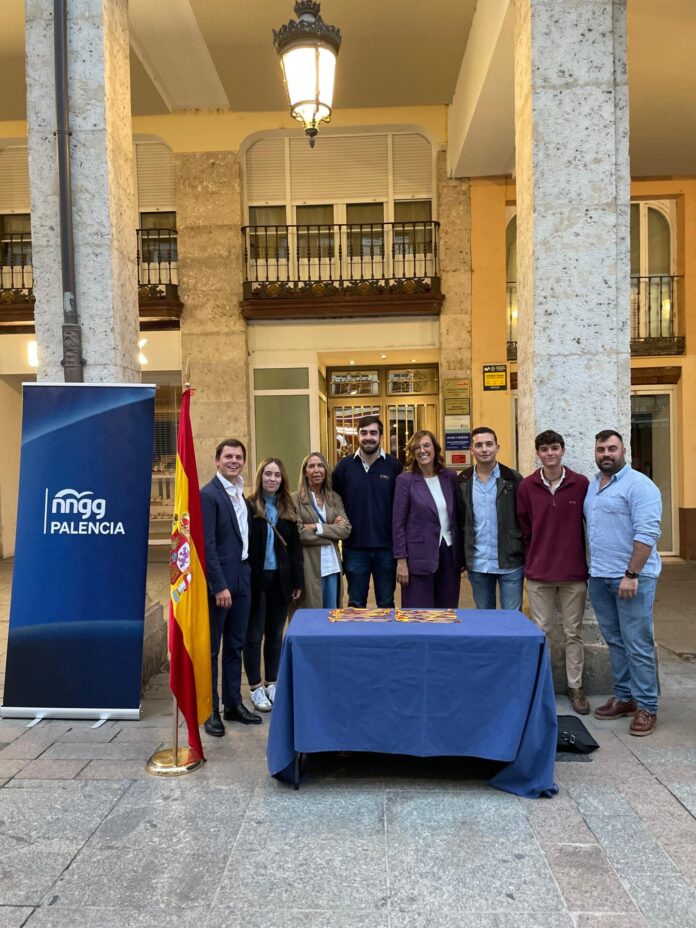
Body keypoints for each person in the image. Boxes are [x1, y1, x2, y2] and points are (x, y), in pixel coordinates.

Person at [584, 429, 662, 736]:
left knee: (638, 643)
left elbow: (647, 534)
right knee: (615, 641)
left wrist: (631, 575)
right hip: (600, 576)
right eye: (601, 449)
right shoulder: (594, 485)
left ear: (623, 451)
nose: (606, 454)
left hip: (631, 579)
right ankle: (625, 696)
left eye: (611, 449)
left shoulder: (639, 486)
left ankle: (647, 707)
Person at [517, 430, 590, 715]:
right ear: (538, 453)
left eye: (555, 448)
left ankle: (576, 687)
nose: (550, 453)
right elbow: (523, 527)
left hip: (573, 572)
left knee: (574, 633)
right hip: (539, 572)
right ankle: (542, 687)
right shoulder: (527, 486)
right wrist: (531, 557)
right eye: (545, 449)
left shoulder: (580, 484)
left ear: (563, 450)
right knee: (541, 632)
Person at [200, 438, 260, 735]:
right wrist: (218, 586)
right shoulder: (208, 495)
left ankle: (233, 704)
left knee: (236, 645)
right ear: (217, 460)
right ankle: (210, 710)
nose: (234, 461)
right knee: (213, 649)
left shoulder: (240, 495)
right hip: (221, 586)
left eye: (238, 457)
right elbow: (207, 545)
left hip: (243, 578)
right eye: (228, 456)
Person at [244, 457, 304, 712]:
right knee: (254, 635)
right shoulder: (248, 507)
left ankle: (272, 682)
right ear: (260, 477)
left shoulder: (287, 509)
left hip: (281, 580)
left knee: (275, 635)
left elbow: (295, 550)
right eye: (268, 474)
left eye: (277, 475)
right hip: (256, 580)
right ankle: (255, 687)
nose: (272, 479)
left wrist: (298, 580)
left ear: (283, 479)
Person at [332, 415, 403, 607]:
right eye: (364, 433)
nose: (368, 437)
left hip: (387, 549)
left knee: (386, 603)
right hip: (354, 548)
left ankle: (385, 638)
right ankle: (356, 638)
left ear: (381, 436)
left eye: (373, 433)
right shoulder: (343, 467)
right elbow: (334, 503)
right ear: (358, 435)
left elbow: (401, 508)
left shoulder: (394, 466)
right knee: (355, 604)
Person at [456, 426, 524, 609]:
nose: (484, 449)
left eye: (489, 444)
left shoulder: (513, 479)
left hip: (510, 562)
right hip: (478, 563)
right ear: (471, 450)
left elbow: (524, 518)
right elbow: (460, 521)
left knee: (512, 619)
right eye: (478, 445)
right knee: (485, 620)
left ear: (497, 447)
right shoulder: (462, 481)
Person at [392, 430, 462, 608]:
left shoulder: (450, 477)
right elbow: (398, 523)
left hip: (448, 553)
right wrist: (401, 560)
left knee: (447, 612)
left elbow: (458, 516)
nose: (422, 450)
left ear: (435, 448)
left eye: (426, 445)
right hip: (417, 557)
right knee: (418, 615)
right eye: (417, 447)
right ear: (413, 453)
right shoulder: (405, 480)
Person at [291, 451, 351, 612]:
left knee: (332, 617)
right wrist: (331, 535)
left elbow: (346, 530)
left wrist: (317, 527)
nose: (316, 470)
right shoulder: (294, 499)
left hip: (332, 566)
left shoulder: (334, 498)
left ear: (326, 470)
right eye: (311, 466)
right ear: (305, 471)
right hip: (310, 567)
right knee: (311, 617)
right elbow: (298, 534)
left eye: (320, 466)